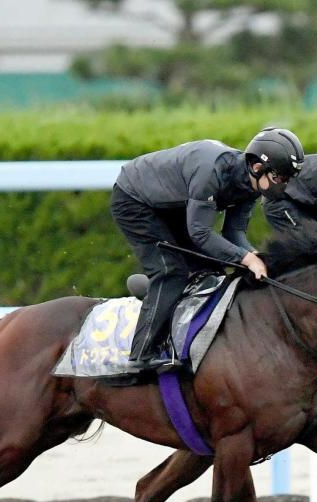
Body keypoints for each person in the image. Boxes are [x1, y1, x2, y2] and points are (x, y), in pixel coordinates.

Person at [111, 127, 304, 372]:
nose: (284, 186)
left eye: (288, 180)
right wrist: (245, 258)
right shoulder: (211, 173)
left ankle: (163, 305)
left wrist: (254, 256)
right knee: (171, 272)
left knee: (213, 271)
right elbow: (200, 232)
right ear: (257, 168)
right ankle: (141, 355)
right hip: (134, 200)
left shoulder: (249, 185)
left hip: (173, 204)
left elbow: (234, 234)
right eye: (280, 178)